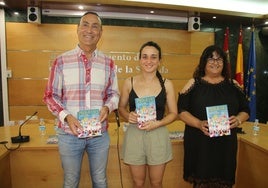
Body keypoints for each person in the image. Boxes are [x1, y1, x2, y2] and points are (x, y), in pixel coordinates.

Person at [43, 11, 120, 188]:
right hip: (69, 135)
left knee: (100, 181)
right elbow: (50, 96)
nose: (89, 30)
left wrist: (107, 108)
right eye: (85, 24)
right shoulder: (61, 61)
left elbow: (114, 94)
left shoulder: (108, 62)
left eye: (95, 26)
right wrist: (67, 116)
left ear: (100, 33)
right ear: (77, 29)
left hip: (99, 134)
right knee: (70, 182)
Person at [177, 45, 250, 188]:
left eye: (219, 59)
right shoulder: (193, 84)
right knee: (201, 182)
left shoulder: (233, 85)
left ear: (224, 63)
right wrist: (198, 123)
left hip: (225, 145)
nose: (215, 62)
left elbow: (246, 110)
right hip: (200, 144)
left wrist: (239, 119)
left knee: (224, 181)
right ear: (203, 61)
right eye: (211, 58)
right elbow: (181, 111)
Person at [118, 41, 178, 188]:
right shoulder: (129, 82)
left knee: (156, 183)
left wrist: (159, 123)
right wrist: (128, 115)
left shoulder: (167, 84)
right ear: (139, 59)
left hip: (158, 134)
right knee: (137, 183)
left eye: (153, 57)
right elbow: (121, 107)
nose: (148, 61)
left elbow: (174, 113)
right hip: (134, 134)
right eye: (145, 57)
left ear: (159, 61)